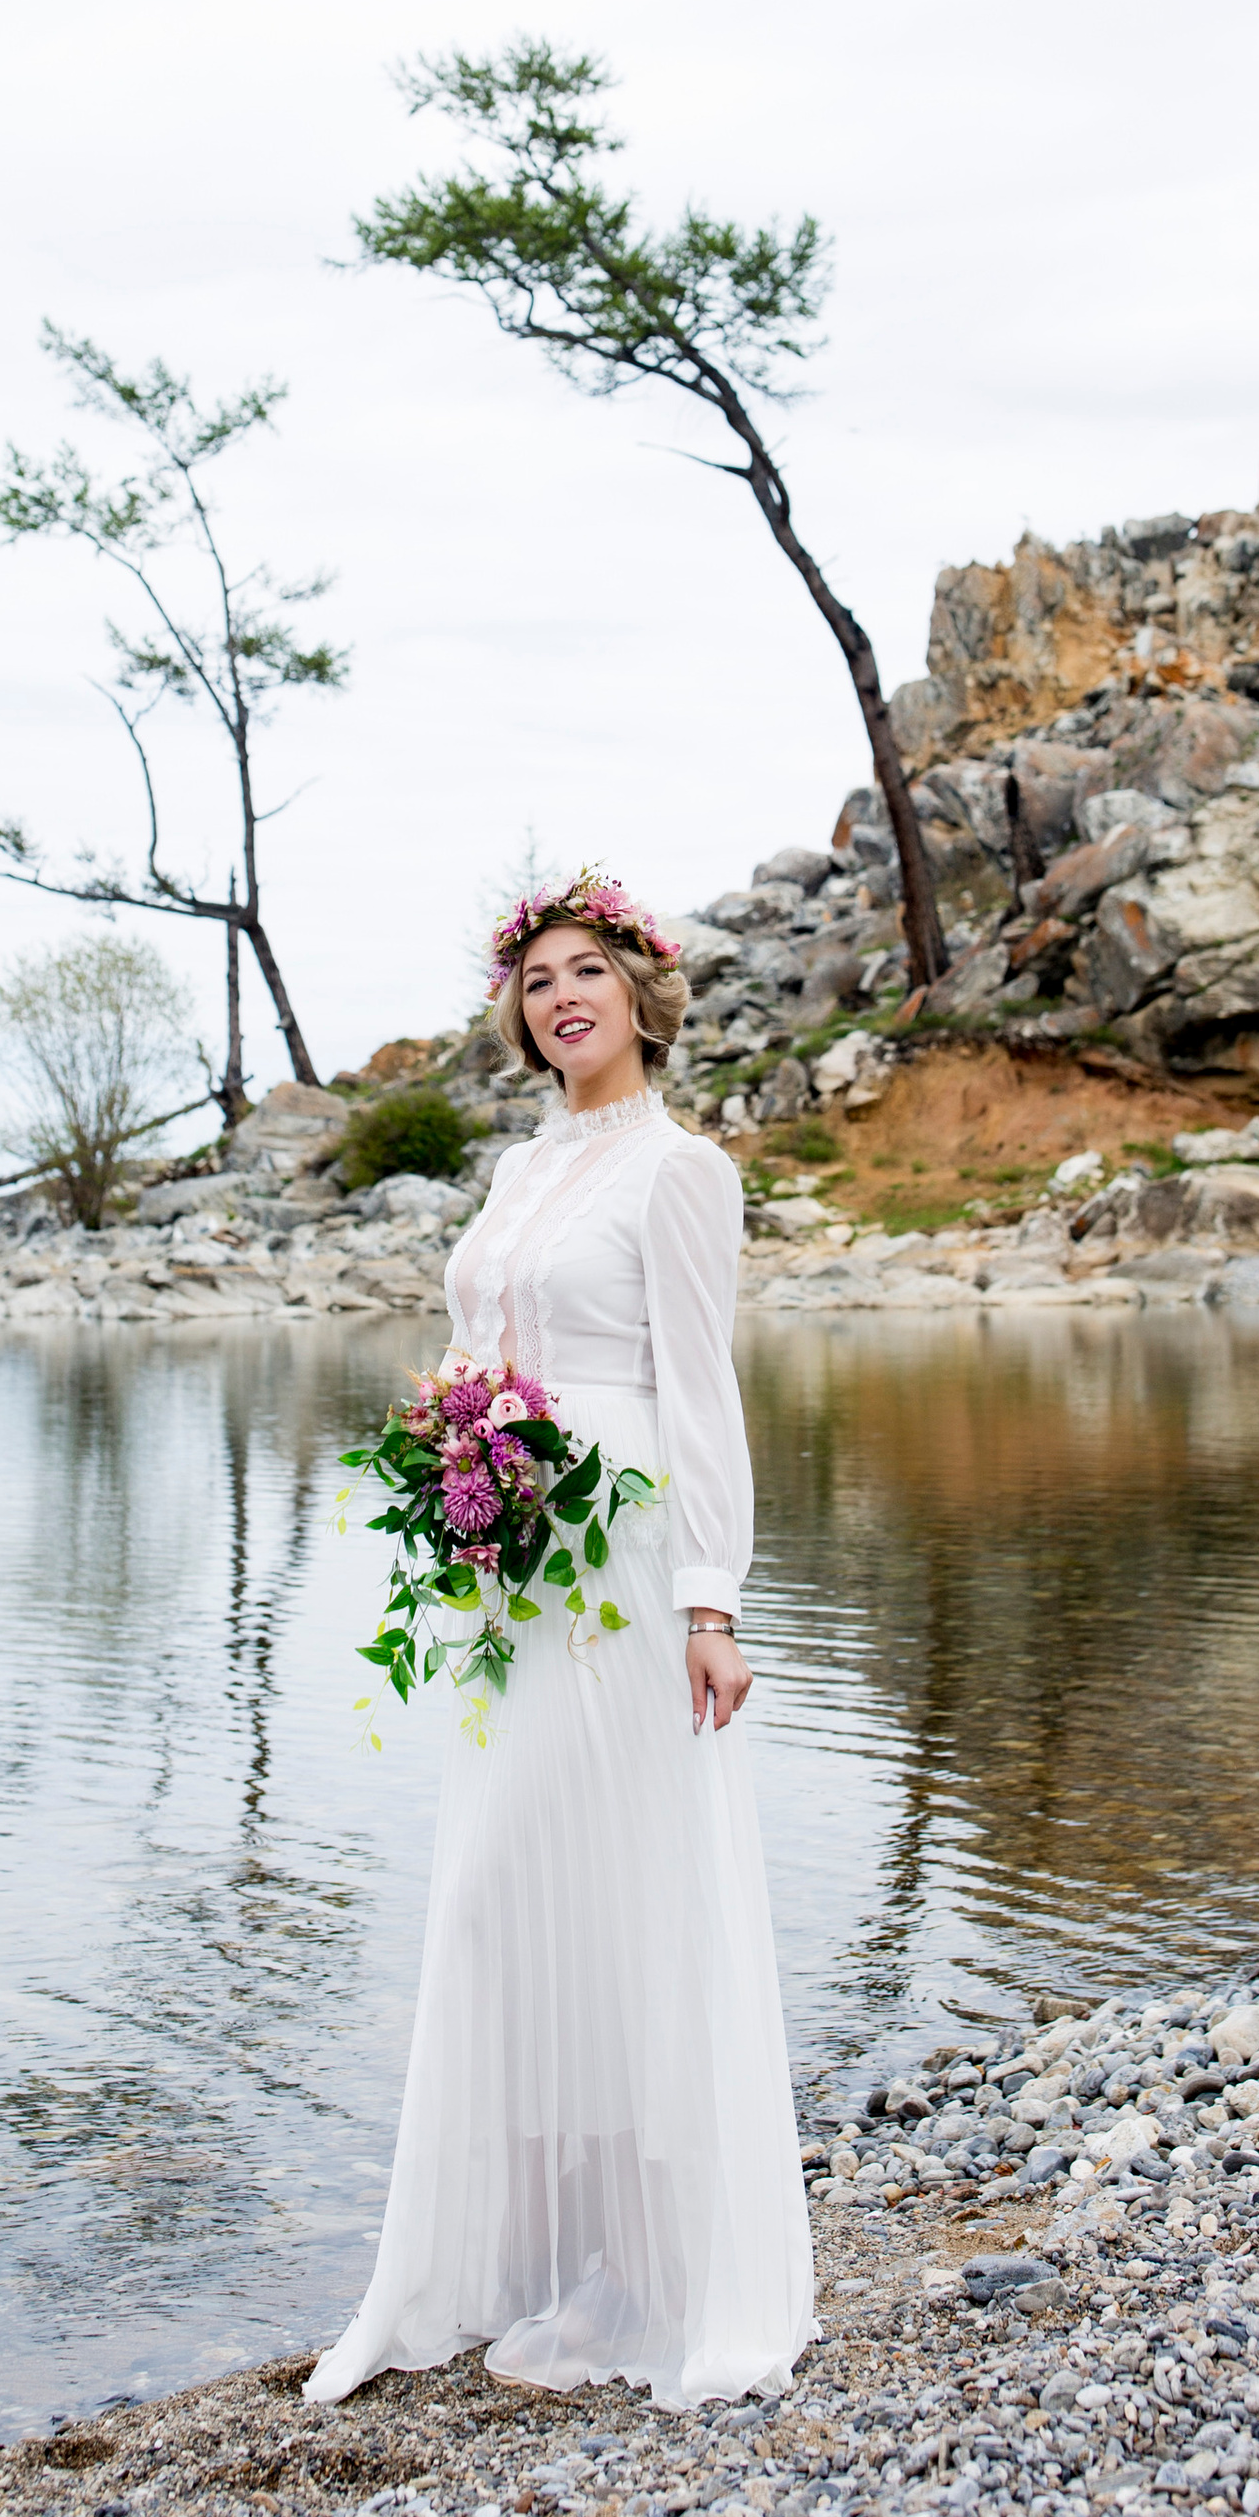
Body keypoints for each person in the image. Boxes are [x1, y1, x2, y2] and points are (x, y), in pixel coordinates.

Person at [306, 866, 813, 2413]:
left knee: (632, 1895)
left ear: (641, 993)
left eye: (588, 970)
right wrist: (454, 1440)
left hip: (625, 1557)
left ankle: (664, 2277)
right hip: (514, 1570)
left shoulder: (679, 1171)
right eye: (538, 982)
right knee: (498, 1897)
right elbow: (483, 1339)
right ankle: (529, 2260)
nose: (562, 997)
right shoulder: (524, 1171)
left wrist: (711, 1604)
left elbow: (699, 1393)